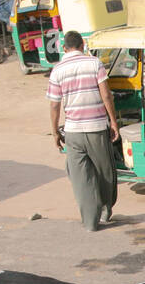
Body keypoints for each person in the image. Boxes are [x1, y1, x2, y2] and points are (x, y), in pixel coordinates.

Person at [46, 30, 119, 231]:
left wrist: (55, 132)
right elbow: (106, 95)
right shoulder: (94, 63)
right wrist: (113, 122)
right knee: (105, 172)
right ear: (82, 45)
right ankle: (105, 210)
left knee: (81, 178)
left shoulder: (57, 70)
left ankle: (90, 221)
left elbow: (54, 105)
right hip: (96, 128)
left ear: (64, 48)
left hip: (72, 132)